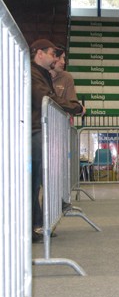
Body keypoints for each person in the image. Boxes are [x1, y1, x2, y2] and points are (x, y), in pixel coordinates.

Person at [30, 39, 84, 243]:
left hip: (38, 131)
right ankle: (34, 226)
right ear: (40, 54)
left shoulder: (40, 74)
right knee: (34, 183)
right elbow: (46, 99)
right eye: (53, 53)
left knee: (37, 182)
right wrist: (76, 107)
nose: (55, 58)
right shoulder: (34, 74)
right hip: (35, 131)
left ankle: (37, 225)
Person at [50, 45, 86, 122]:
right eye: (60, 58)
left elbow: (72, 102)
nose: (63, 62)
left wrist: (76, 107)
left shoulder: (67, 77)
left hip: (61, 124)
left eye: (64, 58)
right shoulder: (38, 76)